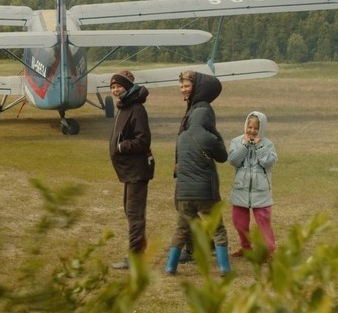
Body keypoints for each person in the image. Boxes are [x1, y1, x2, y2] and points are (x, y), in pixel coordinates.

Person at [165, 70, 230, 276]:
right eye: (181, 86)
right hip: (206, 191)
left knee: (181, 228)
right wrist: (215, 135)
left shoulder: (183, 134)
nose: (183, 90)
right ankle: (224, 268)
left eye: (186, 86)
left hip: (183, 191)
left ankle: (170, 267)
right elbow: (222, 156)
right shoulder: (208, 131)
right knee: (217, 228)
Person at [108, 70, 154, 270]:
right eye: (113, 87)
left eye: (118, 86)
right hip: (129, 171)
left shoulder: (135, 108)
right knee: (130, 211)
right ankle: (139, 252)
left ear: (127, 87)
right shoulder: (124, 106)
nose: (116, 90)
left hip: (136, 171)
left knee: (135, 214)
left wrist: (120, 147)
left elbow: (142, 140)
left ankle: (135, 257)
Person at [227, 111, 278, 261]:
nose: (252, 131)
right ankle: (245, 247)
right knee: (239, 222)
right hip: (240, 189)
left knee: (263, 222)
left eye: (256, 128)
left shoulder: (268, 144)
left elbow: (269, 163)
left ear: (261, 129)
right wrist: (243, 145)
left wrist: (259, 146)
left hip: (260, 191)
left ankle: (269, 251)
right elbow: (233, 161)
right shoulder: (236, 141)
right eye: (250, 127)